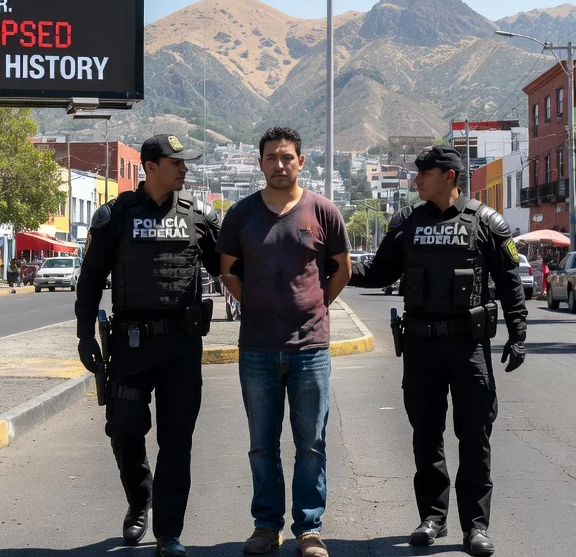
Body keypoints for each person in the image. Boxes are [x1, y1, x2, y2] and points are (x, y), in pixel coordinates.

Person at [348, 146, 526, 556]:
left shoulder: (485, 222)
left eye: (423, 173)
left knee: (474, 438)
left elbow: (510, 280)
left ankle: (475, 527)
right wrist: (335, 267)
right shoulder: (407, 222)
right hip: (422, 346)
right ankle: (432, 518)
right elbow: (379, 272)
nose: (416, 180)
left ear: (448, 176)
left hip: (468, 347)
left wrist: (518, 334)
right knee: (426, 437)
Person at [74, 134, 222, 557]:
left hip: (181, 346)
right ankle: (140, 501)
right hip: (132, 345)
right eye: (177, 163)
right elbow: (89, 280)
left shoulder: (201, 218)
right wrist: (85, 334)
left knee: (177, 441)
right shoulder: (116, 216)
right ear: (151, 166)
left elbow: (231, 270)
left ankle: (169, 532)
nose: (185, 170)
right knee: (124, 430)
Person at [217, 127, 350, 557]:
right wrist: (256, 304)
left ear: (301, 161)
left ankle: (309, 530)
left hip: (311, 348)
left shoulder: (323, 211)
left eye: (287, 157)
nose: (279, 164)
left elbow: (342, 269)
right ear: (260, 163)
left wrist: (316, 306)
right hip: (257, 347)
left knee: (311, 443)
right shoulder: (240, 215)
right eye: (271, 157)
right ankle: (266, 525)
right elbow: (228, 272)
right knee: (262, 444)